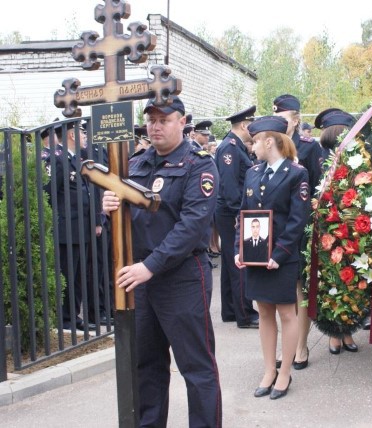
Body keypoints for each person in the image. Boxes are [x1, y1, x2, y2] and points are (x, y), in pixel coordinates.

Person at [101, 96, 222, 427]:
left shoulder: (199, 164)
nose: (155, 125)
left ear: (182, 122)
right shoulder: (136, 164)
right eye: (151, 119)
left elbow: (191, 226)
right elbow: (127, 222)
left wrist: (149, 266)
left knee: (196, 367)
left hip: (181, 277)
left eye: (164, 119)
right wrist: (110, 209)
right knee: (147, 367)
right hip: (141, 279)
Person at [234, 115, 311, 400]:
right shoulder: (253, 173)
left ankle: (286, 371)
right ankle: (269, 370)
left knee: (286, 312)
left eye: (255, 141)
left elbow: (296, 220)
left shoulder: (296, 173)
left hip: (282, 257)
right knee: (263, 311)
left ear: (269, 141)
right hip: (255, 255)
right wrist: (237, 249)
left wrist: (279, 253)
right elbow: (242, 215)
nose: (252, 147)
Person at [272, 94, 324, 370]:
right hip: (274, 233)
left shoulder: (309, 148)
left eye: (283, 119)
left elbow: (318, 190)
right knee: (280, 294)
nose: (279, 124)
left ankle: (301, 346)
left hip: (302, 230)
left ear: (295, 120)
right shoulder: (269, 147)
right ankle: (285, 346)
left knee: (299, 289)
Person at [45, 121, 102, 331]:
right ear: (71, 135)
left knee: (79, 276)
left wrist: (95, 222)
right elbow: (49, 193)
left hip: (82, 229)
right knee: (67, 276)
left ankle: (74, 316)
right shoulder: (57, 159)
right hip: (66, 230)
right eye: (82, 132)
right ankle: (65, 319)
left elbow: (88, 192)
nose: (85, 135)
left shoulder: (77, 158)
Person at [314, 107, 359, 355]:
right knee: (329, 281)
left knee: (350, 278)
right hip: (324, 227)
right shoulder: (317, 154)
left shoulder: (356, 155)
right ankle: (333, 333)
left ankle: (348, 330)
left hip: (350, 227)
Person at [214, 105, 260, 328]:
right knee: (239, 262)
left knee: (229, 262)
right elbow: (230, 185)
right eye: (251, 124)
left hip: (229, 211)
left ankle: (231, 311)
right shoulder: (231, 148)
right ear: (244, 125)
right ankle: (245, 314)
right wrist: (237, 214)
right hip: (231, 211)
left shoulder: (234, 145)